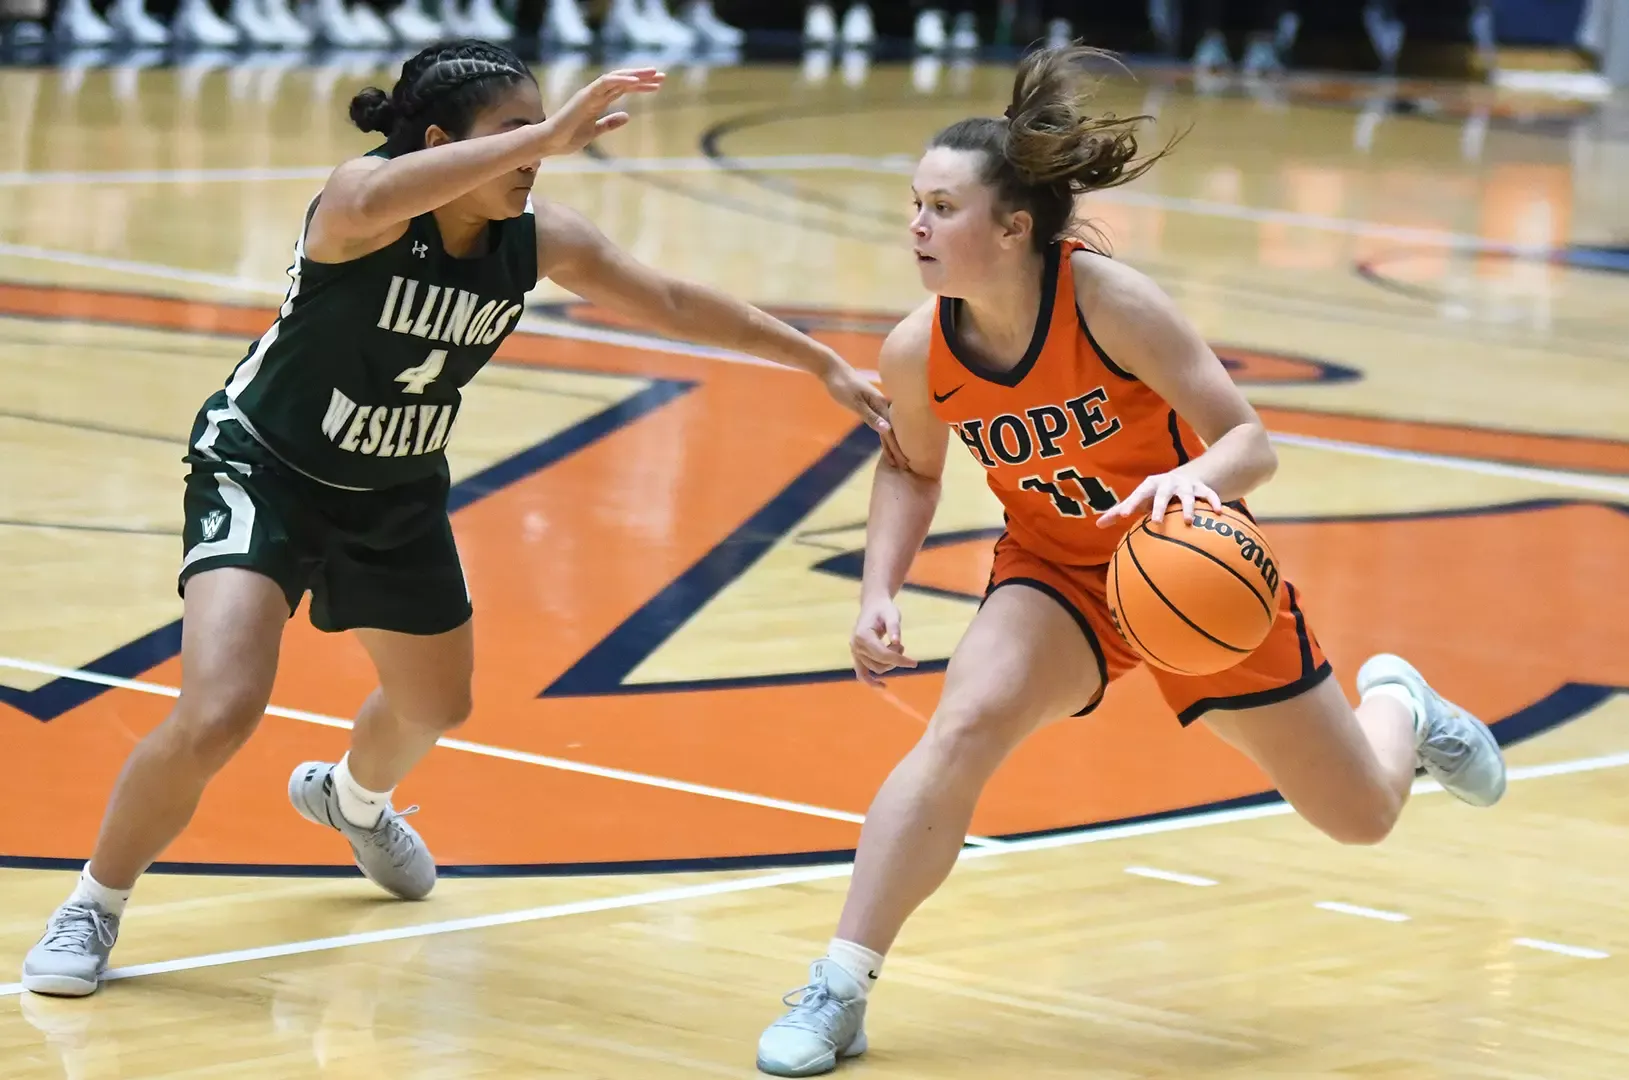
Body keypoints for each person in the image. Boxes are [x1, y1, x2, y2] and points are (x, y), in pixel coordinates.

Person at [21, 39, 901, 999]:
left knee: (436, 707)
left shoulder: (537, 236)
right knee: (220, 707)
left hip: (396, 485)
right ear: (441, 144)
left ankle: (354, 802)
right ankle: (95, 902)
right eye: (514, 133)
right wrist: (551, 135)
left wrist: (816, 359)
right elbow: (375, 191)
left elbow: (670, 300)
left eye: (540, 132)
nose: (538, 153)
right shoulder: (360, 202)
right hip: (265, 469)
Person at [753, 43, 1507, 1077]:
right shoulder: (916, 349)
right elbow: (913, 471)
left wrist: (1189, 483)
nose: (916, 226)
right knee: (962, 727)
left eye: (941, 207)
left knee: (1362, 817)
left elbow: (1251, 443)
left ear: (1012, 228)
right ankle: (839, 988)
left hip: (1188, 564)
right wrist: (878, 589)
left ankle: (1400, 710)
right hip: (1055, 574)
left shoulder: (1110, 303)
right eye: (914, 205)